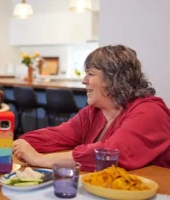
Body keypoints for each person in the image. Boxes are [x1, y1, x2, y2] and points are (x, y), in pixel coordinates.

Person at [13, 45, 170, 171]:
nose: (83, 80)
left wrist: (40, 159)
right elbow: (56, 135)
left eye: (90, 74)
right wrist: (21, 143)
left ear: (113, 79)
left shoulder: (150, 112)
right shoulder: (94, 112)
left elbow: (112, 152)